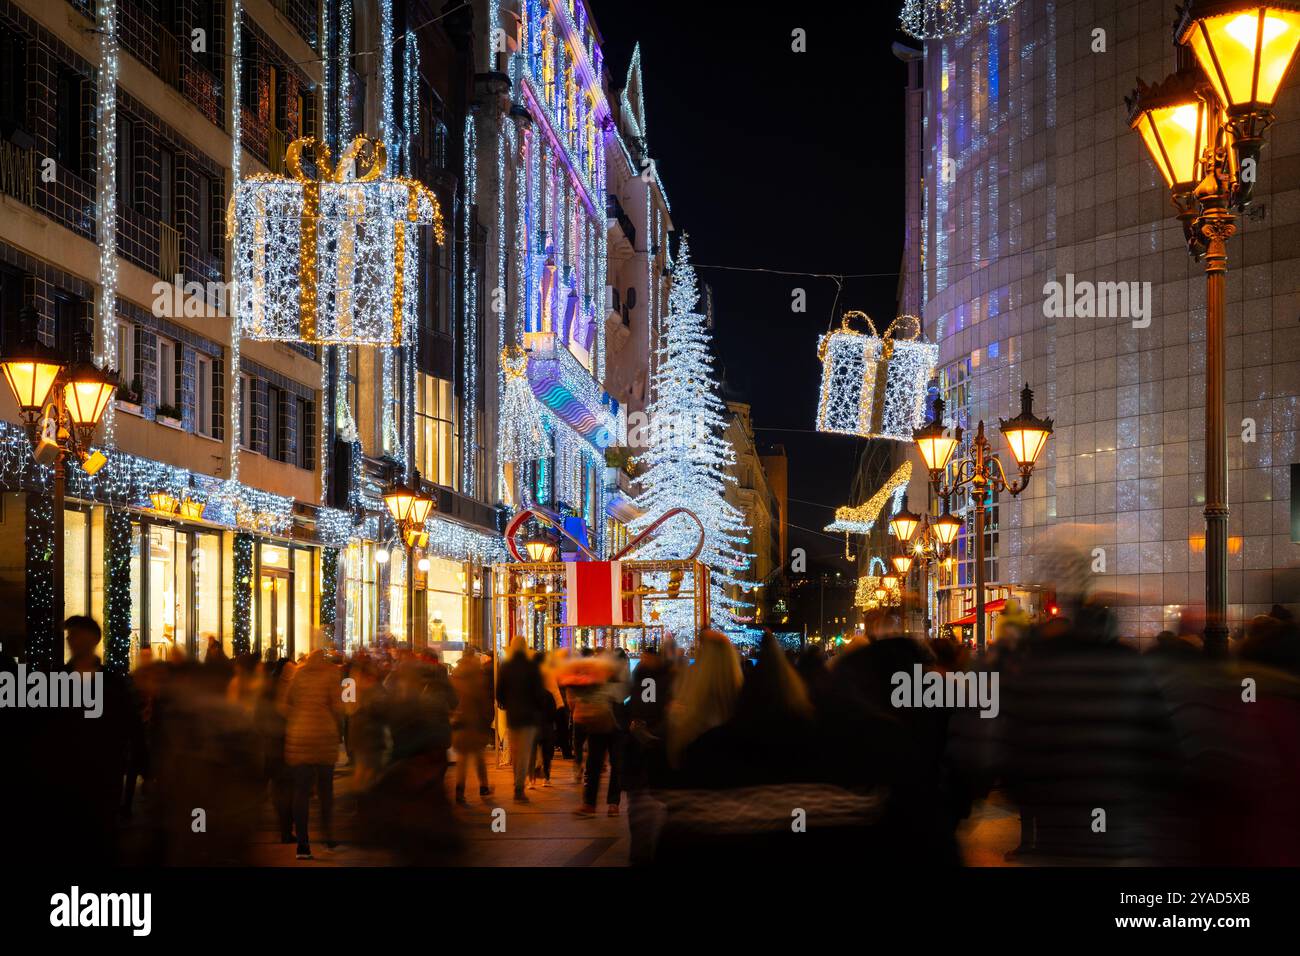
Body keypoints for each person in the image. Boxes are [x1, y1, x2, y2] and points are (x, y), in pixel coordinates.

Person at [282, 638, 343, 860]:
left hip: (300, 735)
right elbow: (337, 707)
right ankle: (328, 836)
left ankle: (303, 844)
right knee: (326, 790)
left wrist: (296, 720)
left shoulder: (298, 673)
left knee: (301, 791)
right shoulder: (331, 673)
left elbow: (287, 703)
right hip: (324, 735)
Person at [495, 635, 545, 802]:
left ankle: (517, 782)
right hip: (529, 716)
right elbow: (539, 693)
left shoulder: (506, 667)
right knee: (523, 753)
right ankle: (518, 788)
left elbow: (499, 692)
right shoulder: (531, 667)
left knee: (516, 753)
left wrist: (506, 704)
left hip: (513, 716)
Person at [450, 651, 494, 803]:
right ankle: (483, 786)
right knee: (479, 756)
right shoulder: (478, 678)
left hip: (460, 722)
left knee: (462, 758)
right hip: (475, 723)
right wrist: (487, 719)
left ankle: (460, 790)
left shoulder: (455, 677)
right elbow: (484, 702)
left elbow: (451, 700)